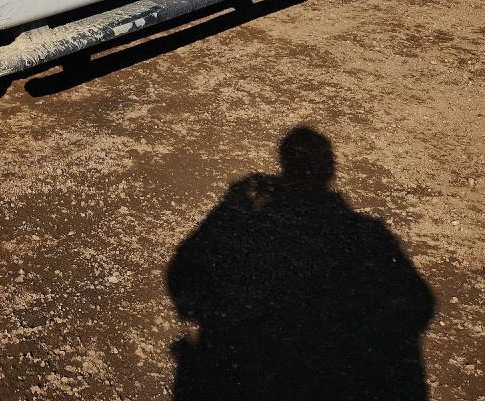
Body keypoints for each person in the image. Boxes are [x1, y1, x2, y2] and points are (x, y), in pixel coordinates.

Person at [166, 126, 434, 401]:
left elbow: (182, 271)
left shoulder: (252, 228)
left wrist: (230, 205)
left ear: (284, 169)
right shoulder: (368, 236)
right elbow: (419, 305)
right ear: (330, 173)